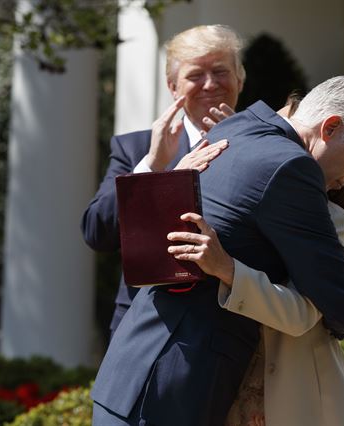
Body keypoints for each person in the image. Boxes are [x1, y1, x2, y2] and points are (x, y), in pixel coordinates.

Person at [91, 75, 344, 426]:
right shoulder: (292, 167)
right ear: (329, 127)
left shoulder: (237, 128)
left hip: (132, 366)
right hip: (177, 387)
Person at [166, 98, 344, 426]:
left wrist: (228, 269)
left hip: (286, 389)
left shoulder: (333, 219)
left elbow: (304, 312)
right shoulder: (251, 169)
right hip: (223, 379)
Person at [81, 24, 243, 335]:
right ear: (173, 87)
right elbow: (97, 231)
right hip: (146, 322)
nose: (210, 85)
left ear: (240, 79)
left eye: (221, 72)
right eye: (196, 75)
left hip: (232, 325)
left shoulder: (268, 148)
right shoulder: (136, 149)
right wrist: (154, 165)